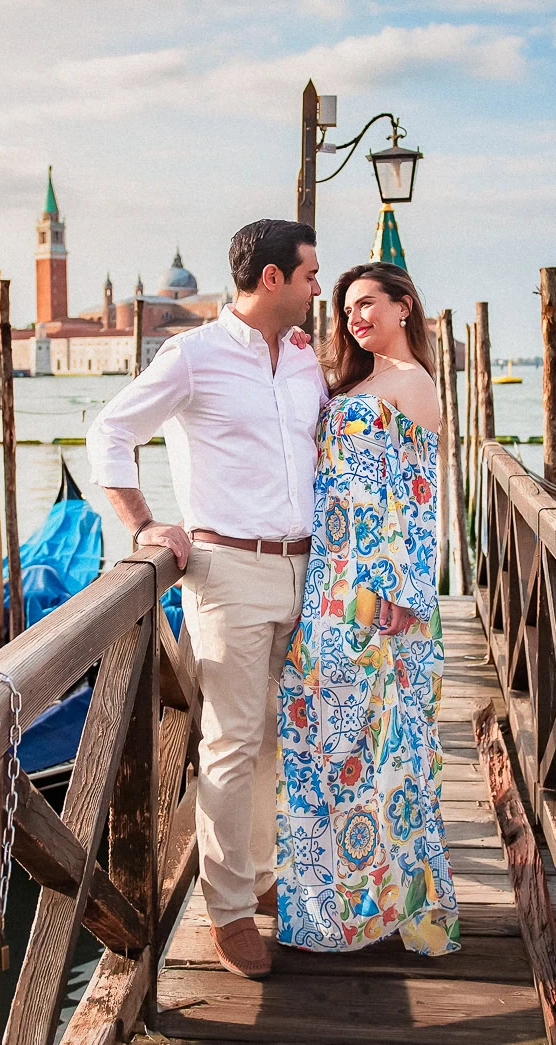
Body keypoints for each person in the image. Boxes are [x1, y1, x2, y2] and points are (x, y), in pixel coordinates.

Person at [86, 219, 324, 981]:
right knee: (227, 743)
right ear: (274, 279)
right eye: (311, 273)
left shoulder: (303, 358)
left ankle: (259, 874)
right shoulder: (192, 354)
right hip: (227, 571)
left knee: (273, 742)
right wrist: (145, 522)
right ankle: (226, 912)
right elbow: (109, 432)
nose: (320, 286)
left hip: (303, 569)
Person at [275, 261, 459, 956]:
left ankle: (392, 910)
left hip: (374, 598)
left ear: (405, 306)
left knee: (383, 751)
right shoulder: (353, 382)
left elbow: (415, 504)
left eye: (368, 303)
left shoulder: (414, 386)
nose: (355, 317)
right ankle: (337, 907)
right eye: (347, 307)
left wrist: (396, 602)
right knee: (323, 742)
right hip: (328, 583)